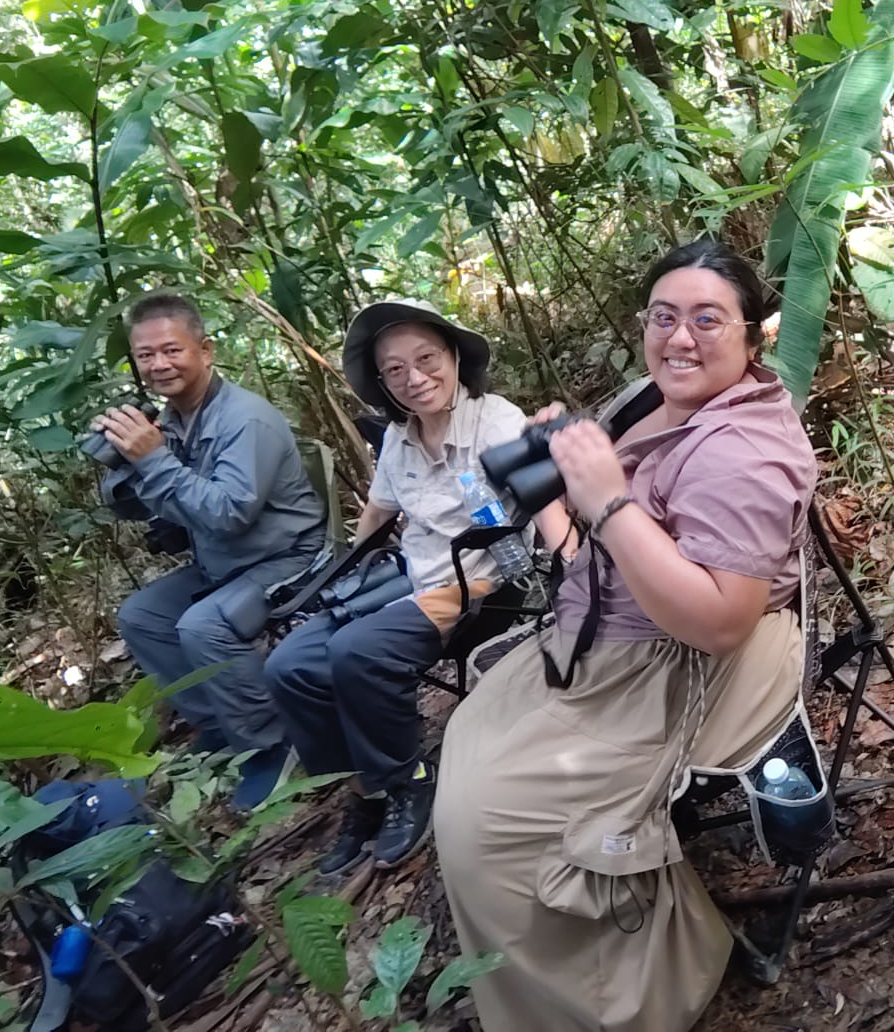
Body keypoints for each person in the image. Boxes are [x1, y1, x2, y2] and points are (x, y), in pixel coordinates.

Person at [433, 241, 818, 1032]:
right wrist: (571, 460)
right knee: (468, 746)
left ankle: (635, 990)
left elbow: (719, 622)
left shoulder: (742, 451)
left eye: (708, 320)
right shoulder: (656, 397)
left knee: (481, 828)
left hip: (666, 661)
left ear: (754, 336)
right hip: (602, 628)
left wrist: (606, 498)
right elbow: (594, 526)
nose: (680, 338)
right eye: (664, 317)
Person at [265, 300, 560, 873]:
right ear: (382, 382)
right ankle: (366, 785)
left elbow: (543, 496)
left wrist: (565, 569)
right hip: (413, 576)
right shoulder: (399, 439)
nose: (414, 377)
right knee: (290, 665)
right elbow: (377, 513)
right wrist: (341, 576)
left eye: (426, 358)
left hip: (483, 581)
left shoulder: (494, 420)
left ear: (453, 356)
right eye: (394, 369)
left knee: (358, 652)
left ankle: (407, 778)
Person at [98, 294, 327, 812]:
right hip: (224, 562)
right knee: (141, 616)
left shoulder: (244, 419)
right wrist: (124, 462)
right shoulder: (173, 419)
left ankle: (272, 744)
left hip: (288, 557)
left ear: (205, 350)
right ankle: (224, 727)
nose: (158, 365)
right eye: (145, 355)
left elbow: (228, 513)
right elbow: (148, 510)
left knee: (202, 626)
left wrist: (153, 460)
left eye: (171, 350)